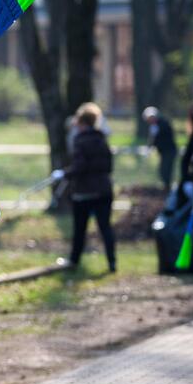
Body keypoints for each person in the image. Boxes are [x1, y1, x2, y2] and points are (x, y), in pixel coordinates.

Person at [53, 103, 116, 272]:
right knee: (105, 227)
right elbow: (109, 166)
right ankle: (112, 262)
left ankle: (74, 260)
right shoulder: (102, 139)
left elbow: (79, 167)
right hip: (104, 190)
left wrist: (64, 174)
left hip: (84, 193)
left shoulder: (80, 140)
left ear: (81, 123)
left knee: (80, 229)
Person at [142, 106, 177, 190]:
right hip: (163, 152)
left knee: (166, 170)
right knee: (162, 170)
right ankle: (166, 186)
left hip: (169, 151)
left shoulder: (163, 123)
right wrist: (149, 148)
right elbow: (152, 139)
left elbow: (163, 137)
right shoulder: (153, 126)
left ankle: (167, 188)